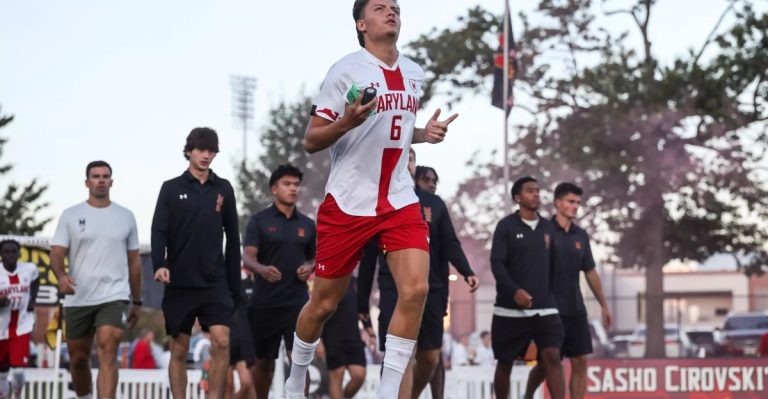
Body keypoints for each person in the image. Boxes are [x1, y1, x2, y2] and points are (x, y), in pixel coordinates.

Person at [283, 1, 459, 397]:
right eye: (380, 8)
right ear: (362, 24)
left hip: (399, 199)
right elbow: (312, 140)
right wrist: (345, 121)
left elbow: (393, 127)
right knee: (324, 305)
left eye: (395, 7)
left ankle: (388, 391)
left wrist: (422, 134)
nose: (391, 12)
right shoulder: (345, 70)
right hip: (348, 202)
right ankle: (296, 376)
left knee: (415, 290)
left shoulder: (414, 72)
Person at [359, 155, 478, 398]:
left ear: (413, 165)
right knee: (400, 353)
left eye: (410, 157)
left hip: (431, 288)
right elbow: (368, 256)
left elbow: (450, 243)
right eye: (400, 153)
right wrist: (362, 302)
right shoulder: (377, 202)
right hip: (394, 287)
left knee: (430, 357)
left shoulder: (433, 203)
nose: (405, 160)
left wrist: (467, 271)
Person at [151, 128, 241, 399]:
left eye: (211, 150)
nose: (206, 155)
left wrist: (233, 286)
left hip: (215, 281)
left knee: (222, 341)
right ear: (189, 151)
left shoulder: (223, 188)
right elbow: (159, 231)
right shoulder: (171, 188)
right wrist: (159, 263)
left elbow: (233, 239)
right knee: (179, 349)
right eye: (201, 149)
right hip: (179, 281)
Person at [50, 160, 143, 399]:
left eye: (105, 176)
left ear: (111, 182)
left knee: (108, 349)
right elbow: (57, 253)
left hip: (114, 296)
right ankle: (84, 396)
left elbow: (134, 261)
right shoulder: (71, 215)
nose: (101, 180)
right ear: (87, 182)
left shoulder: (125, 216)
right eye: (95, 176)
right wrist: (61, 275)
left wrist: (138, 301)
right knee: (79, 359)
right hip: (78, 296)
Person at [523, 182, 612, 399]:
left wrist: (603, 305)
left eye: (578, 203)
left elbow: (590, 271)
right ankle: (527, 395)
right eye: (571, 202)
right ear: (558, 203)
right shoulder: (542, 230)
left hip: (576, 309)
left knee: (580, 361)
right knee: (546, 364)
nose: (575, 206)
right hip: (549, 310)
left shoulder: (580, 235)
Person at [241, 164, 316, 399]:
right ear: (274, 188)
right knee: (263, 363)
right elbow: (247, 255)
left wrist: (310, 266)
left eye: (296, 184)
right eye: (287, 184)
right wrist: (262, 269)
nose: (293, 189)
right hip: (265, 302)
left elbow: (316, 256)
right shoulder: (259, 221)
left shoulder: (307, 224)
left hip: (298, 303)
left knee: (300, 361)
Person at [490, 176, 565, 399]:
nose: (536, 194)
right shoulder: (505, 226)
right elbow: (497, 264)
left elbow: (555, 267)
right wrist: (514, 291)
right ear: (517, 197)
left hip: (545, 309)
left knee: (552, 356)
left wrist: (555, 297)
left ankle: (531, 395)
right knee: (505, 363)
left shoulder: (549, 228)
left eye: (537, 190)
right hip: (509, 310)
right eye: (530, 190)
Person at [0, 239, 39, 399]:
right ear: (1, 254)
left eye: (13, 251)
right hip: (1, 329)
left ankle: (17, 393)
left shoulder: (29, 269)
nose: (10, 255)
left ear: (19, 253)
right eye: (6, 252)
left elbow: (36, 281)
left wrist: (32, 301)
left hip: (22, 325)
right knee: (2, 373)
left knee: (18, 370)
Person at [321, 278, 367, 399]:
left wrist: (369, 328)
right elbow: (318, 310)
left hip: (353, 334)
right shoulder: (326, 280)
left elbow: (362, 308)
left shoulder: (356, 282)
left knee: (359, 375)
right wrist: (318, 340)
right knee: (337, 373)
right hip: (332, 333)